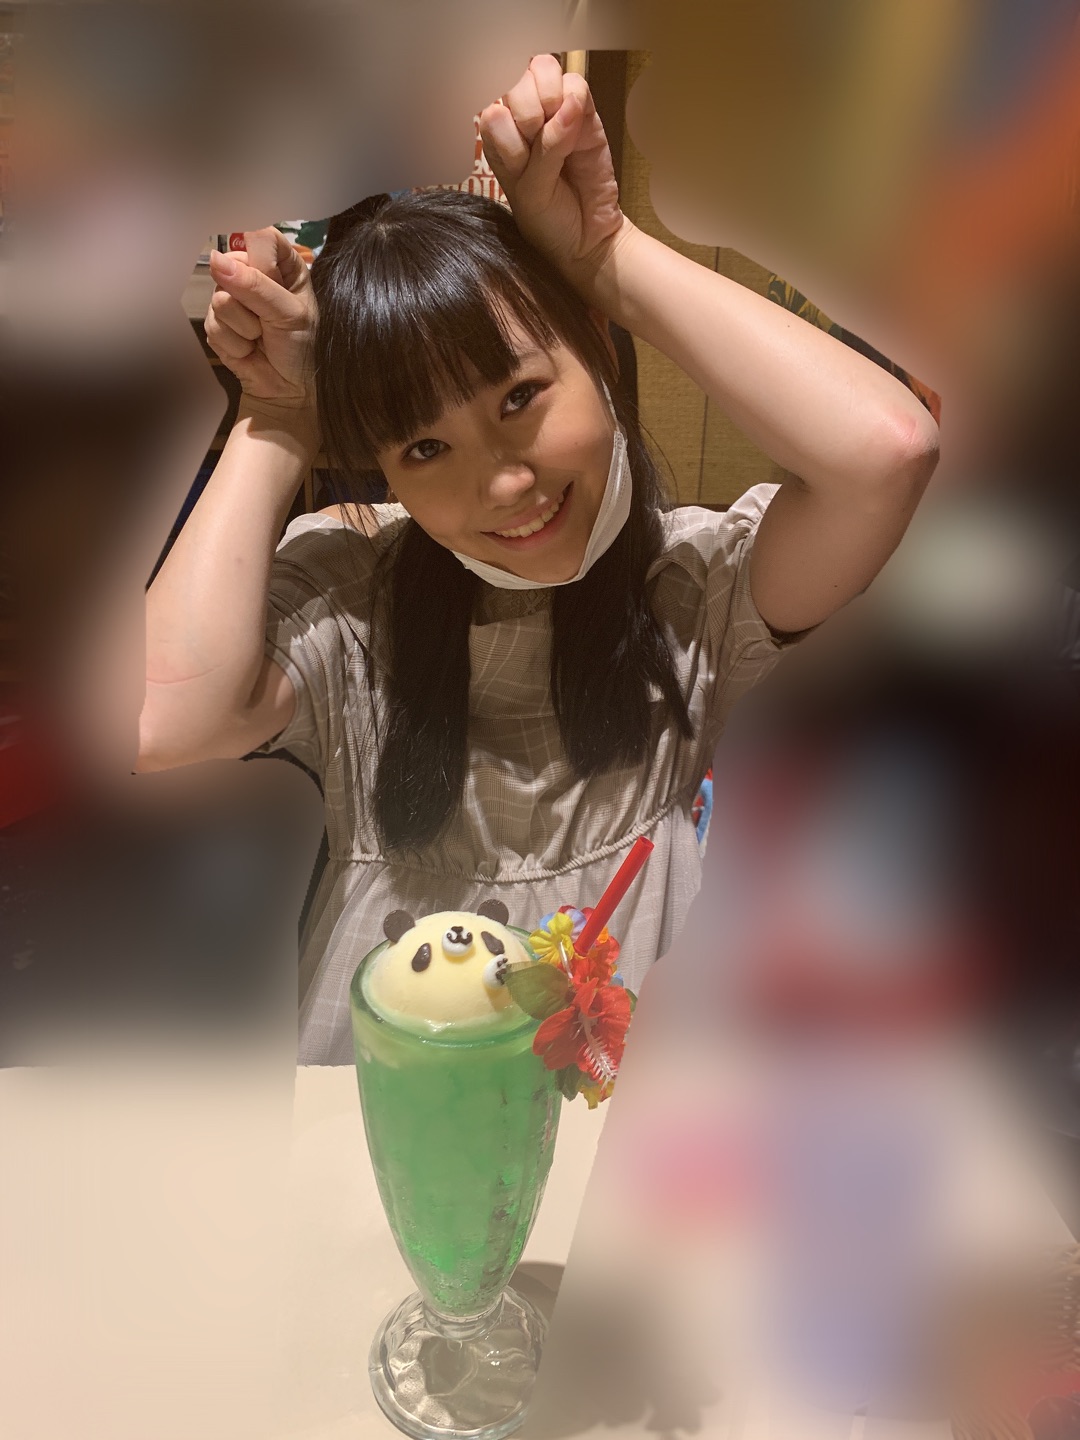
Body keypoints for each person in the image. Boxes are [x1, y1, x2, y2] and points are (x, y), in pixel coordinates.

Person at [138, 57, 939, 1062]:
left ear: (597, 355)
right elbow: (165, 718)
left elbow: (885, 455)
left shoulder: (695, 585)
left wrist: (606, 253)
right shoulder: (353, 590)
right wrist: (277, 417)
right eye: (423, 448)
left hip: (621, 1099)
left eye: (519, 396)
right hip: (389, 1098)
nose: (503, 483)